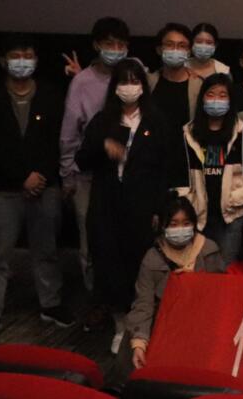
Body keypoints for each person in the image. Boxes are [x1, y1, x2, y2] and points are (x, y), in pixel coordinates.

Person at [76, 58, 180, 354]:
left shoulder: (156, 121)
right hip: (107, 206)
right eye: (124, 81)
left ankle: (143, 326)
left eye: (135, 81)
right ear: (115, 87)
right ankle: (121, 326)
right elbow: (81, 160)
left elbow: (165, 169)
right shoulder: (103, 120)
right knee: (110, 266)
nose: (129, 87)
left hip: (142, 206)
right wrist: (103, 147)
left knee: (140, 265)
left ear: (143, 86)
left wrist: (160, 209)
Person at [0, 34, 70, 341]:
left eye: (28, 55)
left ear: (37, 60)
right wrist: (21, 176)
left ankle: (51, 304)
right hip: (3, 189)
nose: (22, 62)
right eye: (16, 56)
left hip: (44, 186)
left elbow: (60, 138)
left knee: (46, 250)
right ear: (3, 61)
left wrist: (40, 176)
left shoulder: (51, 95)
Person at [60, 16, 129, 302]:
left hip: (127, 172)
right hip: (89, 174)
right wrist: (67, 174)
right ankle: (95, 301)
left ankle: (125, 299)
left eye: (121, 44)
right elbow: (69, 133)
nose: (116, 50)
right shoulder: (82, 82)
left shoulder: (132, 72)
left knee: (124, 238)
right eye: (109, 44)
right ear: (97, 45)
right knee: (90, 242)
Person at [127, 195, 223, 370]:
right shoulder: (152, 258)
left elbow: (221, 294)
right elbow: (143, 304)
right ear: (163, 226)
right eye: (173, 224)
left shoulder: (208, 249)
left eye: (186, 223)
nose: (180, 229)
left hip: (203, 324)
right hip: (166, 324)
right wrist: (139, 344)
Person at [176, 73, 243, 261]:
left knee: (226, 267)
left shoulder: (241, 132)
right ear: (202, 98)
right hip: (198, 212)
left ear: (230, 100)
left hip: (232, 212)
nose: (216, 100)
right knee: (199, 265)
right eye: (211, 94)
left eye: (222, 95)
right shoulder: (187, 133)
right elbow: (179, 173)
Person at [146, 23, 203, 147]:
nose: (175, 50)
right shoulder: (147, 82)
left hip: (187, 152)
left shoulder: (199, 85)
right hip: (151, 151)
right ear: (159, 49)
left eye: (182, 46)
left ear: (189, 52)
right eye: (169, 45)